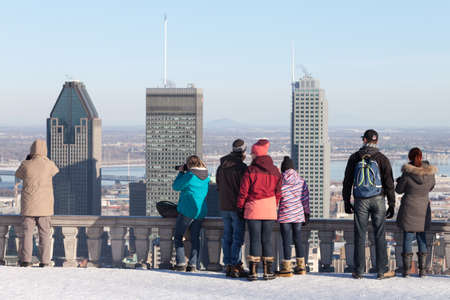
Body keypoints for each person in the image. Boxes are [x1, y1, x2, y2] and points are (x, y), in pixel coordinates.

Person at [342, 129, 396, 279]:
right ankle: (382, 270)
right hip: (378, 199)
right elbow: (389, 183)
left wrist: (347, 201)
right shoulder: (382, 159)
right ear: (376, 141)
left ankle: (358, 271)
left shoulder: (354, 158)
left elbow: (347, 181)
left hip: (360, 200)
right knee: (379, 234)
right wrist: (391, 204)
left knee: (359, 235)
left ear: (364, 140)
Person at [237, 139, 281, 281]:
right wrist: (274, 203)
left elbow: (243, 192)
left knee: (254, 240)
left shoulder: (250, 170)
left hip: (253, 208)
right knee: (267, 240)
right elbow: (279, 192)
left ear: (256, 154)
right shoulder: (275, 170)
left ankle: (253, 271)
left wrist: (240, 207)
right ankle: (268, 271)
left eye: (252, 154)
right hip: (269, 209)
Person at [15, 139, 59, 267]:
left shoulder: (26, 164)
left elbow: (18, 174)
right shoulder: (49, 164)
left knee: (27, 234)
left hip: (29, 206)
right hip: (45, 206)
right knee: (44, 234)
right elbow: (55, 171)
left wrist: (28, 159)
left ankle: (26, 260)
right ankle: (45, 261)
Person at [395, 147, 436, 278]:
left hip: (409, 208)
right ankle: (422, 270)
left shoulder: (407, 173)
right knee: (422, 237)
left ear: (409, 158)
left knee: (407, 238)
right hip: (423, 208)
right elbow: (431, 186)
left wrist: (400, 180)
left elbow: (399, 190)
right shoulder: (429, 173)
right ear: (421, 156)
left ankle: (406, 270)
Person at [216, 139, 248, 278]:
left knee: (227, 235)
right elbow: (245, 188)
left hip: (224, 205)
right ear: (243, 152)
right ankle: (235, 265)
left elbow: (218, 185)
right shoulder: (242, 168)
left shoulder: (221, 167)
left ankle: (228, 264)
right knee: (237, 237)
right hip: (237, 207)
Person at [172, 155, 210, 272]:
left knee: (178, 236)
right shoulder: (206, 177)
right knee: (195, 238)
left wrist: (181, 173)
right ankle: (193, 264)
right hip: (200, 212)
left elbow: (176, 186)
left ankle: (181, 262)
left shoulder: (189, 176)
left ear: (189, 165)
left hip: (187, 211)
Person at [277, 156, 310, 277]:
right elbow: (305, 199)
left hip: (285, 214)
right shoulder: (301, 181)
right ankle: (301, 266)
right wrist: (307, 213)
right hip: (298, 214)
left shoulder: (280, 180)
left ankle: (286, 268)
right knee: (298, 239)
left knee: (286, 240)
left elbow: (277, 198)